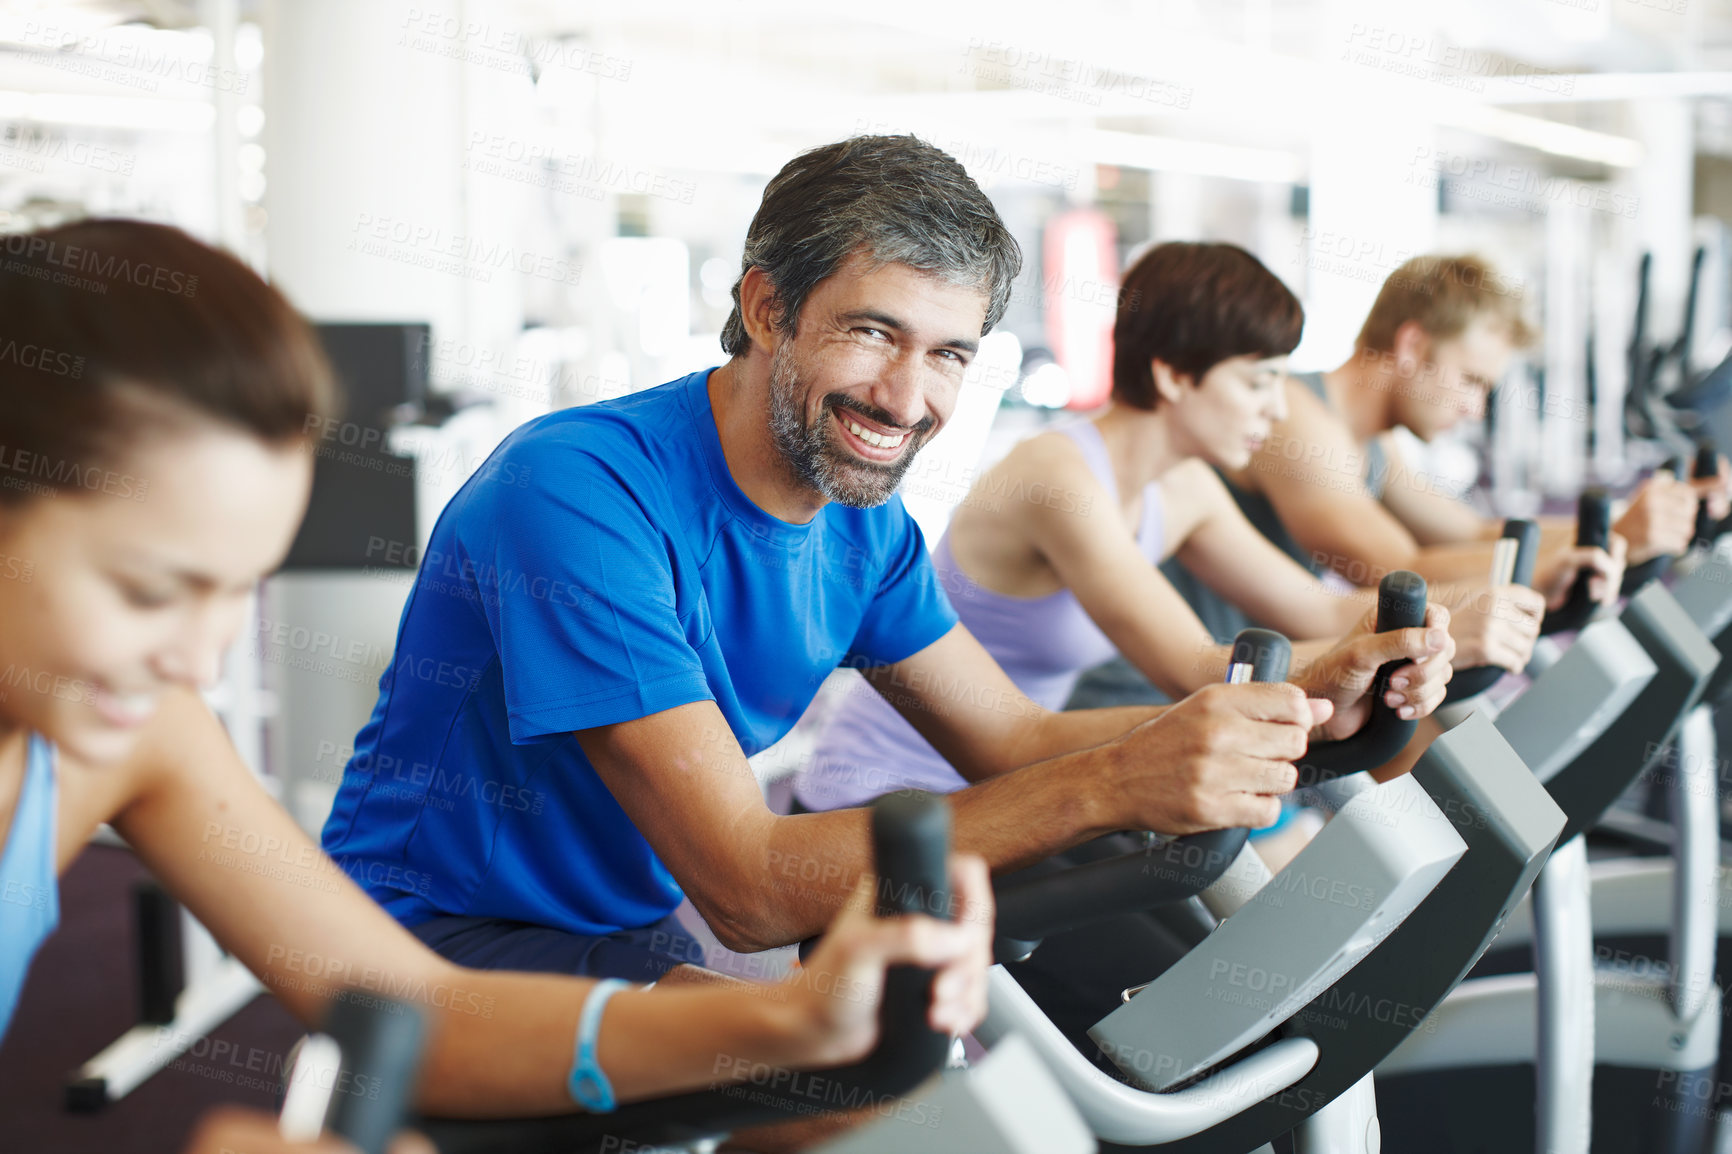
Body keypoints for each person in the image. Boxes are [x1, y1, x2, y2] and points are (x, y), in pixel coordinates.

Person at [319, 134, 1457, 982]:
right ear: (767, 307)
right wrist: (1114, 782)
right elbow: (748, 881)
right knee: (850, 1106)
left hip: (625, 918)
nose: (907, 399)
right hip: (428, 938)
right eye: (871, 332)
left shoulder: (862, 525)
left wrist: (1304, 703)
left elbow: (1008, 739)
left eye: (949, 352)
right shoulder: (578, 495)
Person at [0, 219, 995, 1149]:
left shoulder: (144, 733)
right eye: (145, 589)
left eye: (234, 594)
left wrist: (790, 1014)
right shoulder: (580, 482)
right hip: (465, 907)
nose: (202, 663)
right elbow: (743, 880)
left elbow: (417, 1007)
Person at [791, 241, 1543, 816]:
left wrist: (1439, 623)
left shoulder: (1182, 486)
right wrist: (1377, 651)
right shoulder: (1058, 477)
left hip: (1011, 790)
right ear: (1176, 375)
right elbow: (1193, 668)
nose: (1278, 409)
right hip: (888, 803)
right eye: (1256, 381)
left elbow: (1316, 610)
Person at [1068, 251, 1689, 710]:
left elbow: (1472, 530)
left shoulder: (1370, 445)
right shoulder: (1300, 426)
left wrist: (1612, 534)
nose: (1475, 408)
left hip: (1241, 677)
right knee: (1426, 766)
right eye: (1471, 380)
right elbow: (1399, 570)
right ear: (1413, 346)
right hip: (1159, 692)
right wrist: (1604, 546)